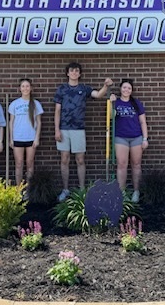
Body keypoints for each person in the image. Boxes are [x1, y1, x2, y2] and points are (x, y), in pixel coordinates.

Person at [54, 62, 113, 201]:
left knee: (80, 160)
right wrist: (56, 129)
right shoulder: (61, 89)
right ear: (67, 73)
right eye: (71, 70)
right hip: (64, 129)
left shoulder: (84, 88)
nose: (74, 73)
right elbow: (57, 111)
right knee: (64, 159)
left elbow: (98, 95)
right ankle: (65, 189)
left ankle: (81, 190)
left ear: (79, 74)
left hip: (78, 129)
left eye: (76, 71)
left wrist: (106, 86)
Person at [110, 79, 149, 203]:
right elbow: (111, 117)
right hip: (121, 137)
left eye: (129, 88)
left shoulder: (136, 103)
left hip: (136, 137)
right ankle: (122, 192)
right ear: (120, 89)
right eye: (124, 87)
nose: (126, 90)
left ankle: (136, 191)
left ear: (131, 91)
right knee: (121, 164)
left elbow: (143, 122)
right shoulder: (116, 102)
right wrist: (110, 103)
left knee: (136, 164)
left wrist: (145, 138)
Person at [8, 78, 44, 186]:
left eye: (27, 86)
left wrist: (37, 138)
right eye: (23, 86)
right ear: (20, 88)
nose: (25, 88)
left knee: (30, 164)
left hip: (31, 138)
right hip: (18, 137)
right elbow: (11, 122)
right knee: (18, 164)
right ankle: (19, 188)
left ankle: (29, 188)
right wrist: (11, 138)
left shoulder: (36, 104)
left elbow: (39, 122)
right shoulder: (14, 104)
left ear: (31, 88)